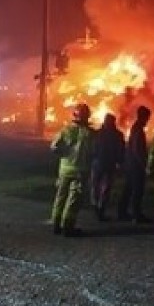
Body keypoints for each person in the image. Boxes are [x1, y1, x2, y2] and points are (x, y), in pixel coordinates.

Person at [50, 102, 95, 237]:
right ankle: (68, 227)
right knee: (73, 199)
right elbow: (94, 151)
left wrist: (65, 154)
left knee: (60, 197)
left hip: (64, 169)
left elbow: (54, 147)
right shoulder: (91, 134)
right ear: (87, 116)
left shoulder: (66, 130)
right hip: (80, 171)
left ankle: (56, 225)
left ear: (74, 115)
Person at [117, 105, 151, 223]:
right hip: (135, 166)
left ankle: (122, 212)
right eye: (147, 117)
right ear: (144, 116)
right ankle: (136, 215)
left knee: (128, 188)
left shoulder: (135, 128)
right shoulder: (138, 130)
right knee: (137, 190)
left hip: (130, 164)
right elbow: (137, 149)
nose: (148, 120)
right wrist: (143, 164)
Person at [89, 113, 125, 221]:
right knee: (103, 187)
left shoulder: (98, 133)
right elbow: (121, 149)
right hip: (106, 163)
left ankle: (98, 206)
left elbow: (92, 148)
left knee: (99, 186)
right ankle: (99, 207)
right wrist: (120, 161)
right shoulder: (116, 134)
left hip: (101, 163)